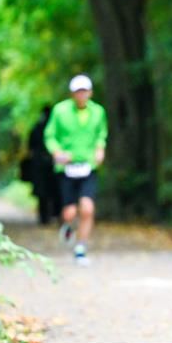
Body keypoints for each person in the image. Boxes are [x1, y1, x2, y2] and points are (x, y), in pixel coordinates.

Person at [44, 75, 108, 267]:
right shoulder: (60, 110)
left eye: (85, 91)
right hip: (66, 167)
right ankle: (68, 226)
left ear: (90, 92)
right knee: (70, 212)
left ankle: (81, 247)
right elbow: (50, 135)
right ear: (72, 93)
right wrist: (57, 152)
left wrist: (99, 149)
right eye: (78, 91)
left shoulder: (98, 112)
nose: (82, 95)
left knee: (87, 208)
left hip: (88, 166)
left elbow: (101, 134)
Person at [21, 105, 60, 225]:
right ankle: (55, 215)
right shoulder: (56, 128)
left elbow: (30, 148)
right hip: (51, 164)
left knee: (43, 193)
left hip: (40, 165)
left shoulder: (37, 128)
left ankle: (45, 218)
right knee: (55, 191)